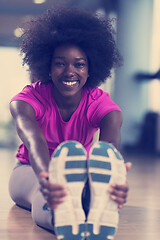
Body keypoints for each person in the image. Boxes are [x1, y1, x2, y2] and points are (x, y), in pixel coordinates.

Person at [9, 7, 131, 240]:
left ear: (91, 67)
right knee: (45, 192)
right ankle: (63, 218)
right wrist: (48, 177)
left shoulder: (102, 105)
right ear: (47, 65)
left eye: (79, 64)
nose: (70, 71)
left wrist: (115, 179)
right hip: (30, 170)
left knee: (88, 188)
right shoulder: (27, 100)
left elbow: (109, 149)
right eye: (60, 63)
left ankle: (90, 205)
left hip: (81, 172)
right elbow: (35, 142)